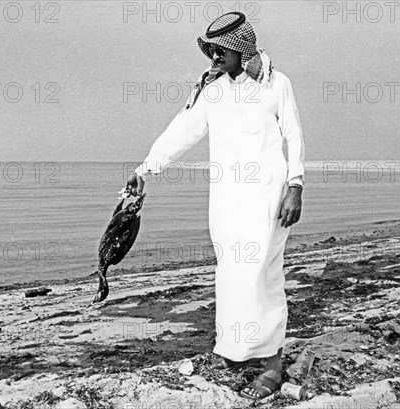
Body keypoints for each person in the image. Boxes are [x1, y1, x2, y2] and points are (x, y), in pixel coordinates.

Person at [126, 11, 305, 400]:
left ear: (241, 49)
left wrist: (296, 186)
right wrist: (145, 170)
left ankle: (272, 364)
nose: (213, 58)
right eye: (210, 50)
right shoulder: (211, 91)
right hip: (226, 200)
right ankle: (237, 353)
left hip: (268, 197)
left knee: (263, 275)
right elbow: (180, 132)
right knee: (232, 275)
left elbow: (294, 136)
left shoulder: (277, 84)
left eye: (220, 50)